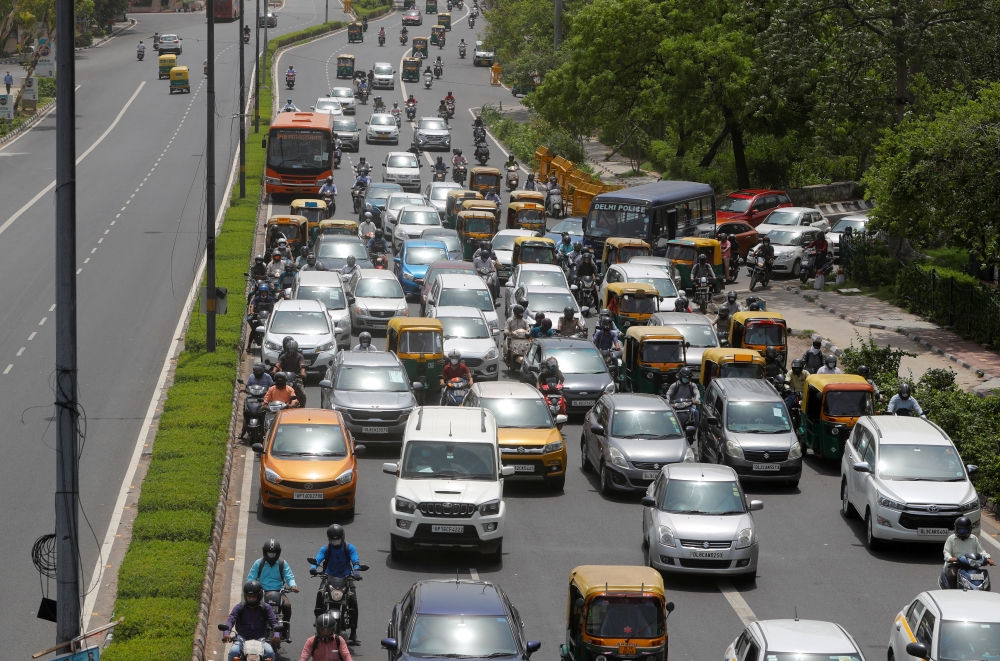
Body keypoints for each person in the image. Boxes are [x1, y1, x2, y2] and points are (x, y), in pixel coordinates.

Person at [310, 525, 362, 643]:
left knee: (353, 602)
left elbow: (355, 559)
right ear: (329, 539)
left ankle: (353, 632)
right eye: (333, 540)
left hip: (346, 577)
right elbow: (318, 558)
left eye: (337, 539)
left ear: (342, 537)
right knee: (320, 594)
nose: (335, 542)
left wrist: (357, 570)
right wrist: (313, 567)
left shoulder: (349, 547)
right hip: (329, 577)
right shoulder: (326, 548)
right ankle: (318, 620)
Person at [246, 539, 299, 643]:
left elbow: (289, 576)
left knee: (287, 606)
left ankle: (285, 629)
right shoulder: (258, 563)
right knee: (252, 606)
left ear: (278, 552)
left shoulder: (282, 563)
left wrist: (293, 586)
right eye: (269, 552)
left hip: (279, 591)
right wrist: (251, 586)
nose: (271, 554)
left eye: (273, 552)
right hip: (262, 591)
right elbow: (251, 577)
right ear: (265, 552)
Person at [223, 581, 280, 661]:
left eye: (254, 596)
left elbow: (274, 622)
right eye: (249, 596)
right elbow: (231, 619)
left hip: (261, 640)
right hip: (242, 639)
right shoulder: (240, 607)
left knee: (270, 653)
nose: (251, 599)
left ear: (259, 596)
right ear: (245, 596)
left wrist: (276, 634)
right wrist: (226, 633)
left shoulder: (266, 608)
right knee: (233, 651)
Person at [942, 516, 994, 588]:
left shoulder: (974, 538)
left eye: (965, 530)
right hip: (956, 564)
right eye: (960, 530)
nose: (962, 532)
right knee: (952, 575)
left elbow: (981, 551)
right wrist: (951, 558)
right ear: (956, 529)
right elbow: (946, 552)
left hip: (972, 565)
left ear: (969, 529)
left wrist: (988, 558)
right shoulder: (951, 539)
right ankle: (953, 593)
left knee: (982, 576)